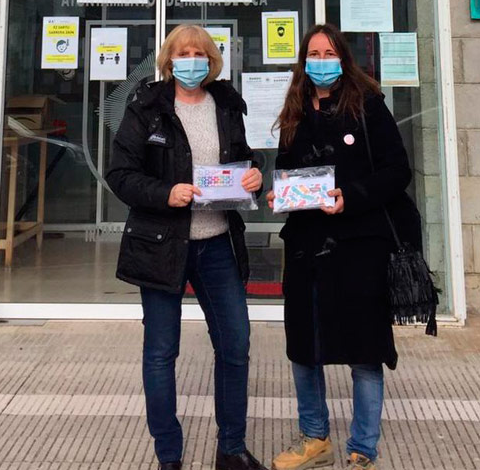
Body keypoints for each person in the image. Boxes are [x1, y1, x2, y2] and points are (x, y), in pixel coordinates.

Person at [106, 24, 265, 470]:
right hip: (161, 243)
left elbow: (245, 158)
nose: (191, 59)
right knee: (161, 353)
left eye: (199, 52)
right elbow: (119, 174)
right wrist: (165, 193)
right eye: (182, 52)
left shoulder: (227, 104)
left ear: (211, 60)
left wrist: (254, 171)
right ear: (169, 60)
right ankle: (169, 456)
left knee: (235, 345)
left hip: (217, 245)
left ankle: (231, 449)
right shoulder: (147, 108)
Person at [267, 23, 421, 470]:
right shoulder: (295, 109)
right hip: (304, 246)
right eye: (312, 53)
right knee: (304, 344)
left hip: (361, 244)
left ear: (343, 58)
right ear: (303, 60)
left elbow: (398, 171)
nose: (320, 61)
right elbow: (286, 168)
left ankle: (363, 448)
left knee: (364, 347)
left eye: (328, 52)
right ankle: (315, 438)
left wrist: (350, 197)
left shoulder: (368, 106)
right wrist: (279, 194)